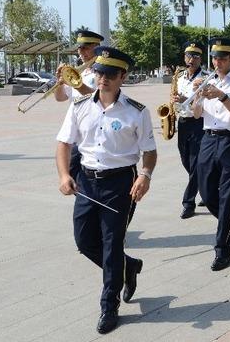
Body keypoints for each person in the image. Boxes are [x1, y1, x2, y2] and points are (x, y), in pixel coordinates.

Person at [55, 46, 157, 334]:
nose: (103, 79)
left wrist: (145, 176)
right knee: (84, 241)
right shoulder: (79, 107)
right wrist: (65, 174)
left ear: (122, 76)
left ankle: (109, 306)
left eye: (110, 74)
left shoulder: (137, 112)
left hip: (120, 184)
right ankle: (129, 267)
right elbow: (63, 144)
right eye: (100, 72)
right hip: (87, 182)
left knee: (112, 245)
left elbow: (149, 151)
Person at [192, 37, 230, 271]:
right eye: (214, 58)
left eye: (221, 58)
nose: (216, 62)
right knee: (206, 194)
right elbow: (197, 115)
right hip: (208, 138)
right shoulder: (207, 80)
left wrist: (221, 96)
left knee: (226, 196)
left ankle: (222, 249)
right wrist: (197, 95)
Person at [53, 30, 103, 181]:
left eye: (86, 47)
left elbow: (100, 97)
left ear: (97, 47)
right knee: (73, 175)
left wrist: (77, 84)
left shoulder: (102, 71)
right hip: (76, 131)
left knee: (90, 176)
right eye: (80, 48)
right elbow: (60, 98)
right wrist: (59, 82)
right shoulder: (78, 72)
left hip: (94, 131)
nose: (81, 52)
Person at [174, 42, 209, 219]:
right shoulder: (179, 78)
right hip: (183, 123)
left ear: (200, 58)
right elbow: (175, 100)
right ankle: (206, 186)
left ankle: (188, 202)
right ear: (184, 57)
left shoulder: (205, 78)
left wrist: (185, 98)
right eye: (189, 55)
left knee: (195, 163)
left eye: (195, 56)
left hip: (198, 122)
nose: (192, 59)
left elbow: (201, 103)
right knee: (186, 160)